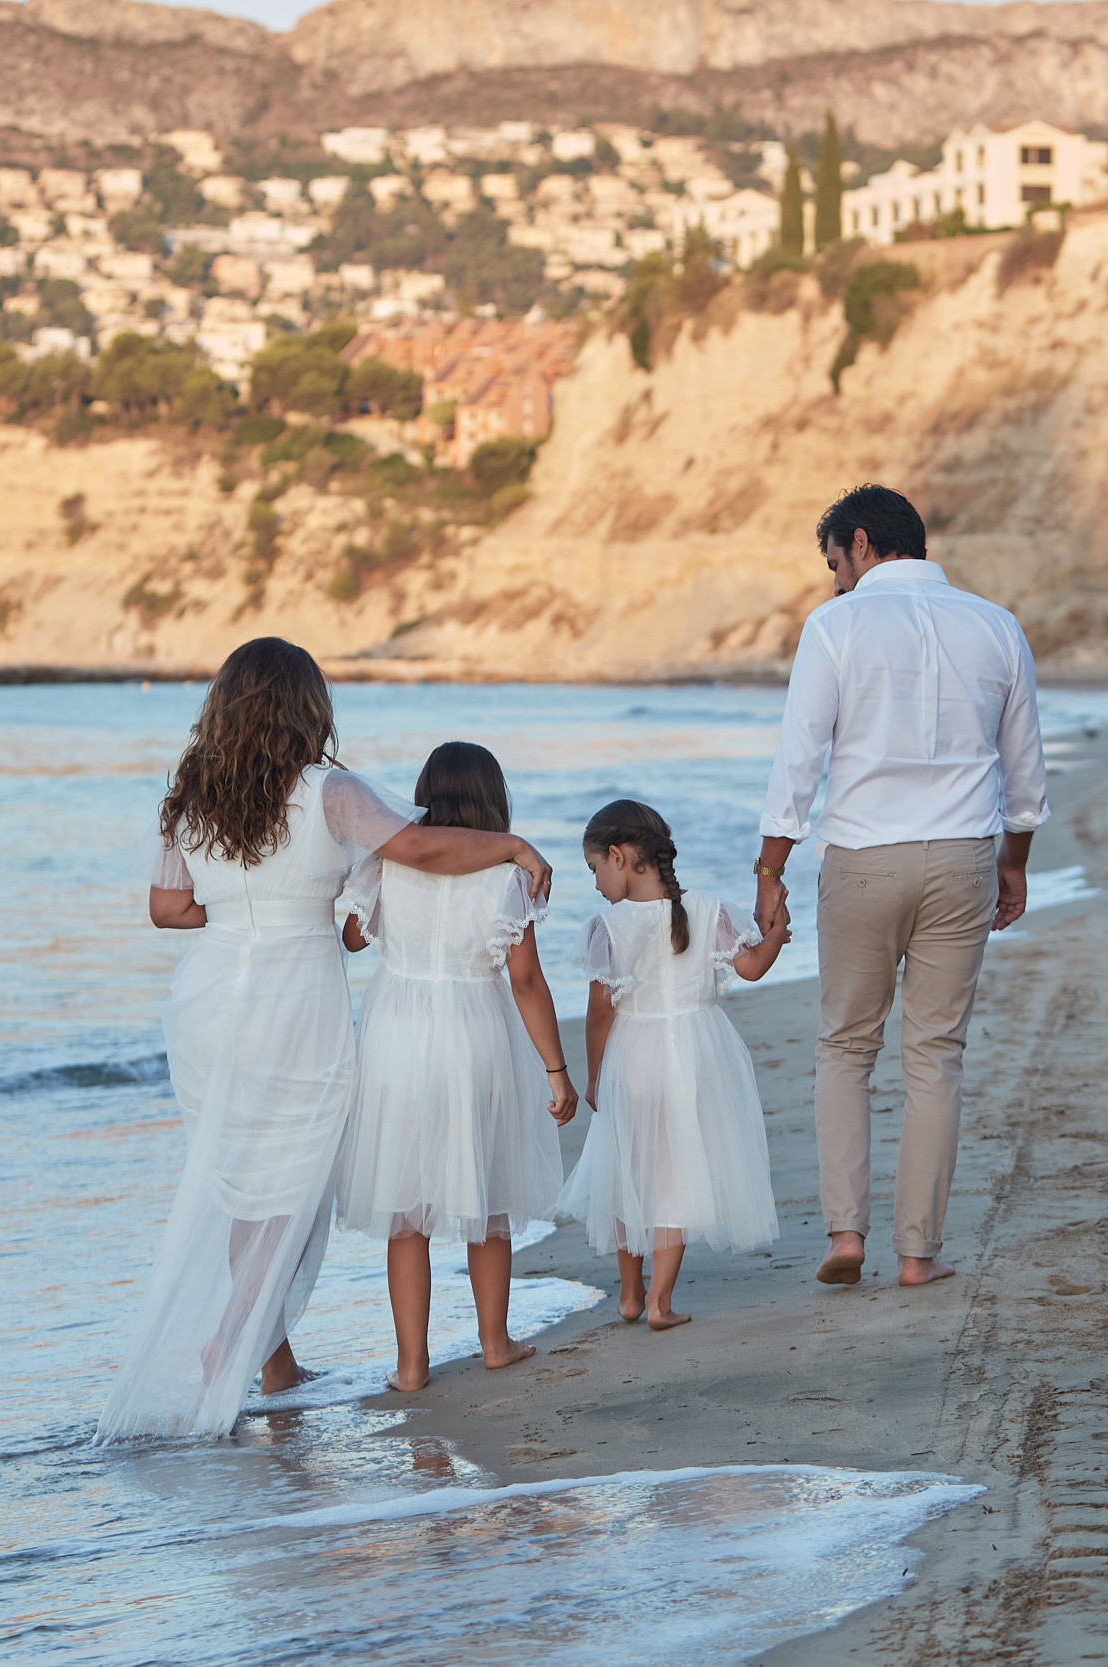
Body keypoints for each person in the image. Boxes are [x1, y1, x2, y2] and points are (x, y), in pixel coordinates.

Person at [94, 639, 553, 1444]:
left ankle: (270, 1358)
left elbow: (167, 909)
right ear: (306, 707)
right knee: (294, 1178)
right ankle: (233, 1343)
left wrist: (241, 914)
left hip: (206, 997)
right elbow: (416, 847)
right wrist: (512, 846)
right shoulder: (330, 791)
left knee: (245, 1177)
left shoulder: (191, 794)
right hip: (293, 992)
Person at [755, 484, 1048, 1290]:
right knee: (936, 1055)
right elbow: (1024, 774)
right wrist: (1013, 860)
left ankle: (847, 1233)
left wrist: (770, 867)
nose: (833, 581)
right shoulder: (996, 625)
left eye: (833, 565)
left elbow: (799, 759)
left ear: (860, 543)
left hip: (861, 859)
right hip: (962, 856)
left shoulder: (837, 626)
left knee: (846, 1045)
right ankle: (918, 1253)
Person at [332, 741, 578, 1395]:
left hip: (399, 1030)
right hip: (476, 1026)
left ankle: (411, 1365)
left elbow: (354, 936)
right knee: (488, 1193)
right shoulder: (507, 875)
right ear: (493, 802)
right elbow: (525, 980)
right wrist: (556, 1070)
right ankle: (494, 1343)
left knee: (405, 1210)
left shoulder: (389, 859)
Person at [556, 800, 790, 1330]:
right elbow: (751, 967)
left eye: (594, 869)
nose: (595, 884)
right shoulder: (708, 910)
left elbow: (600, 1010)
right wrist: (776, 934)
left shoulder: (608, 926)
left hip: (633, 1055)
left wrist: (595, 1074)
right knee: (674, 1176)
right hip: (694, 1054)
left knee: (628, 1170)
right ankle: (661, 1302)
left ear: (619, 856)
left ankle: (630, 1295)